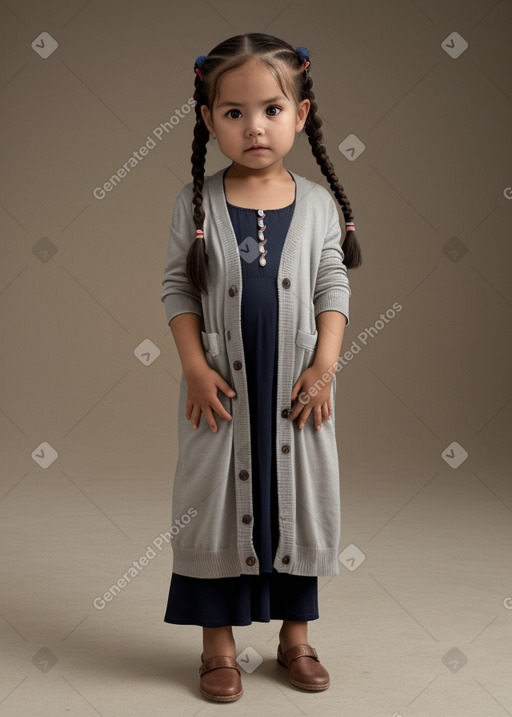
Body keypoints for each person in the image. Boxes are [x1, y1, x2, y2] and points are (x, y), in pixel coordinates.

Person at [160, 32, 362, 703]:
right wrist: (193, 366)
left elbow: (334, 284)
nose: (255, 127)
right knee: (214, 508)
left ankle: (295, 637)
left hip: (295, 392)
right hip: (221, 392)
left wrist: (325, 366)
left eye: (272, 110)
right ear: (208, 118)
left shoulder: (318, 205)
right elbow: (178, 290)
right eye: (234, 112)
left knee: (296, 507)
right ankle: (216, 647)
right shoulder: (195, 205)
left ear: (300, 115)